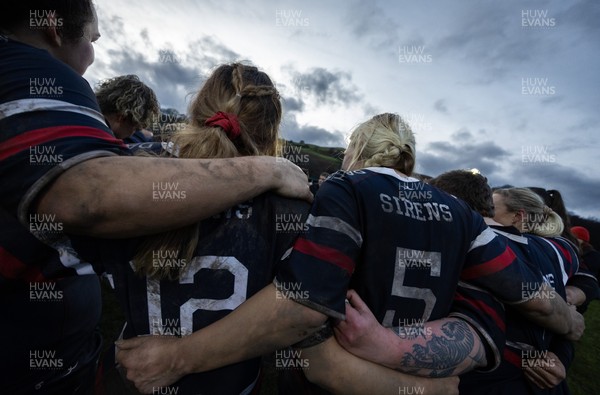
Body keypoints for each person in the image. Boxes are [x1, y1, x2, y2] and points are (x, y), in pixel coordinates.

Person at [116, 113, 582, 394]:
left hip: (337, 377)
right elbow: (528, 292)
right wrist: (571, 323)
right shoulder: (461, 213)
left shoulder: (347, 187)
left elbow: (304, 300)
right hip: (411, 373)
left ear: (357, 147)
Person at [0, 2, 310, 394]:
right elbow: (301, 309)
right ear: (271, 129)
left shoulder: (138, 172)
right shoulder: (290, 205)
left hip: (133, 375)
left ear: (200, 109)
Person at [419, 179, 592, 395]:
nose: (487, 212)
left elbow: (547, 301)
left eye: (493, 207)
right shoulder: (562, 250)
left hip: (490, 380)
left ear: (518, 216)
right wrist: (565, 334)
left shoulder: (490, 245)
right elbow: (566, 305)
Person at [94, 74, 160, 140]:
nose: (133, 133)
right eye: (136, 128)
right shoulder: (107, 146)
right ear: (121, 118)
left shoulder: (88, 113)